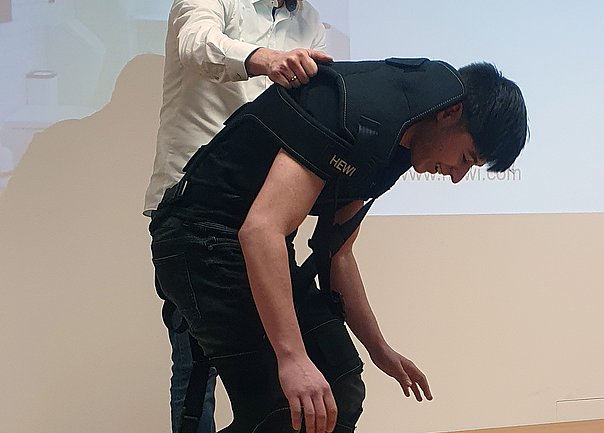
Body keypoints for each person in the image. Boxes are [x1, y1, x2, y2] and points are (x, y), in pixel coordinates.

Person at [150, 58, 528, 433]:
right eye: (466, 158)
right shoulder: (363, 107)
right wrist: (293, 357)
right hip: (200, 239)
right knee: (279, 408)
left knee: (340, 385)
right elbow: (261, 230)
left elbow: (338, 253)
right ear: (450, 113)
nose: (458, 176)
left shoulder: (398, 140)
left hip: (255, 246)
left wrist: (379, 348)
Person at [143, 1, 332, 431]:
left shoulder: (310, 21)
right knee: (197, 367)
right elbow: (196, 44)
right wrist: (266, 59)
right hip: (191, 213)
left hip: (262, 217)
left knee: (280, 370)